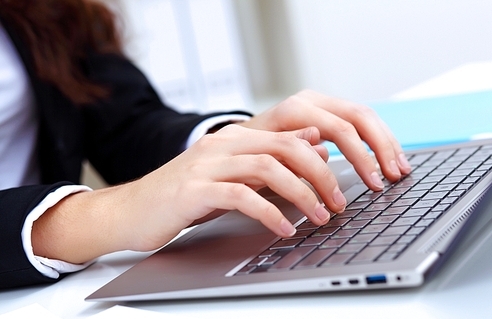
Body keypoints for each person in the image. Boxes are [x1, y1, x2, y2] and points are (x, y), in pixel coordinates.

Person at [0, 0, 411, 290]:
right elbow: (123, 207)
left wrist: (235, 143)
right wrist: (108, 214)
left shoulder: (38, 10)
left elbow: (124, 121)